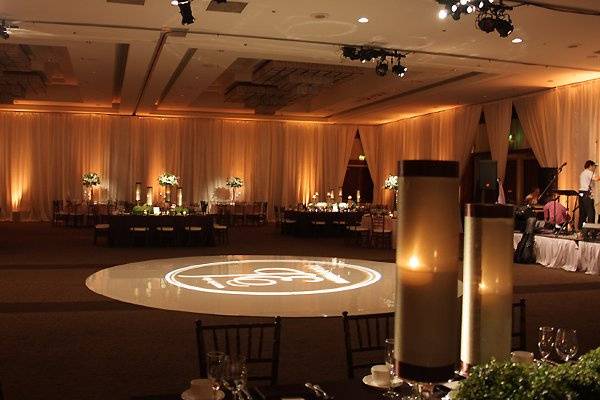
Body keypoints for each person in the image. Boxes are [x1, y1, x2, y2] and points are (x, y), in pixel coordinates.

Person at [578, 160, 598, 229]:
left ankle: (580, 229)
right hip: (586, 194)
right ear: (590, 166)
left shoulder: (582, 173)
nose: (593, 168)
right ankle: (590, 230)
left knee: (582, 213)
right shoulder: (589, 172)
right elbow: (597, 178)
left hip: (581, 194)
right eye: (593, 166)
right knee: (590, 212)